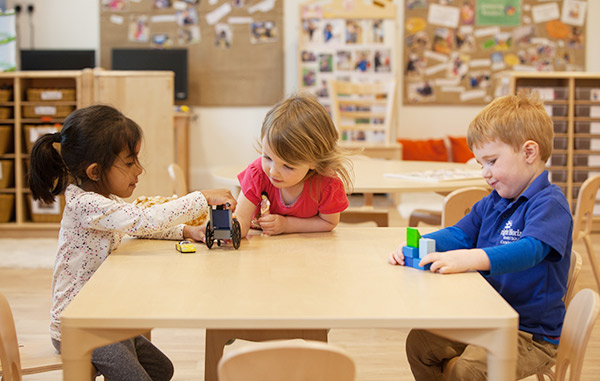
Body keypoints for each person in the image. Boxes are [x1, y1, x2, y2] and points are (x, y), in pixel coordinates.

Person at [29, 105, 236, 381]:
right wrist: (200, 197)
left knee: (162, 370)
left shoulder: (104, 201)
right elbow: (142, 220)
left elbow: (134, 227)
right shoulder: (85, 204)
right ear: (94, 171)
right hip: (80, 325)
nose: (139, 170)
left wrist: (186, 231)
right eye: (129, 163)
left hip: (104, 315)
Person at [389, 91, 573, 380]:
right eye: (481, 164)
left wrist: (473, 258)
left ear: (528, 152)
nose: (485, 173)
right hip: (486, 317)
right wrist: (420, 245)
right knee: (420, 343)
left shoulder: (549, 203)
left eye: (491, 161)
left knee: (467, 370)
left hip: (529, 334)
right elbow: (460, 234)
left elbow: (531, 249)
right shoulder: (494, 200)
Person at [235, 93, 352, 237]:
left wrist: (286, 225)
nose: (273, 172)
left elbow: (329, 223)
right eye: (267, 157)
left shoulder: (327, 184)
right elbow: (241, 219)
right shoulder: (257, 174)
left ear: (314, 161)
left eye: (287, 166)